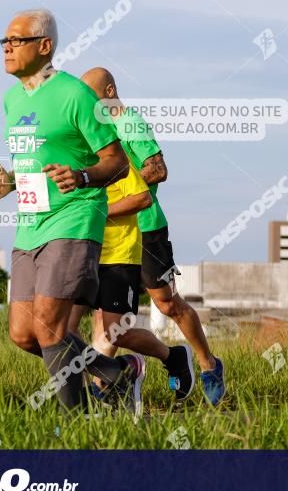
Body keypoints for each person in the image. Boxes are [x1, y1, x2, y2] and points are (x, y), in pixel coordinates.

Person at [0, 8, 144, 415]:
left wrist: (83, 176)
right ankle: (116, 373)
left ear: (44, 46)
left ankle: (74, 423)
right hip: (29, 223)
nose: (6, 47)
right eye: (4, 40)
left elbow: (117, 162)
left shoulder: (76, 94)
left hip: (74, 217)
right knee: (24, 334)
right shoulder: (12, 98)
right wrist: (9, 183)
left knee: (50, 327)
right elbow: (34, 163)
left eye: (16, 40)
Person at [80, 67, 225, 405]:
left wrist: (118, 193)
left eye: (91, 97)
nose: (86, 104)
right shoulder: (95, 131)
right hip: (111, 233)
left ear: (109, 91)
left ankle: (207, 364)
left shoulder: (128, 122)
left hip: (145, 226)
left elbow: (157, 169)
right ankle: (105, 387)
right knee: (105, 315)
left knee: (167, 303)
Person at [66, 162, 194, 402]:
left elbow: (142, 198)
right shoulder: (68, 155)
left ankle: (172, 356)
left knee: (116, 333)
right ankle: (79, 399)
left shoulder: (111, 158)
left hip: (117, 256)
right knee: (62, 331)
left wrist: (97, 213)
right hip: (81, 253)